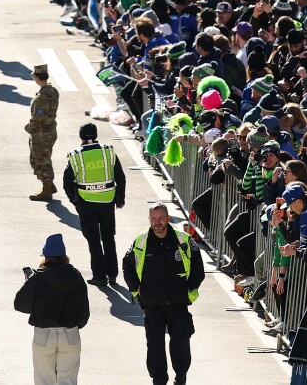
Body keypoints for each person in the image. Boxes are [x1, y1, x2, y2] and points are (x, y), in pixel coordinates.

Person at [123, 204, 204, 385]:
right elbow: (127, 267)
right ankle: (159, 380)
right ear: (149, 220)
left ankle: (180, 377)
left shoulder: (184, 240)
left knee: (181, 342)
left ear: (168, 218)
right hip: (152, 305)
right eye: (153, 219)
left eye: (160, 218)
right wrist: (137, 290)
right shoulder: (141, 241)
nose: (157, 223)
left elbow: (198, 267)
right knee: (155, 346)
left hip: (178, 303)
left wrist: (188, 289)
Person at [13, 233, 88, 385]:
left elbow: (20, 304)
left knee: (44, 380)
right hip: (70, 333)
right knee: (68, 381)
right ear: (64, 256)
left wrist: (29, 284)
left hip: (44, 334)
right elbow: (84, 310)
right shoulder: (76, 276)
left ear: (45, 257)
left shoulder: (38, 278)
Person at [63, 122, 127, 286]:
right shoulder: (108, 152)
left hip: (86, 203)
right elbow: (120, 177)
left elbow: (67, 182)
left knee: (93, 241)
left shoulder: (75, 156)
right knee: (109, 238)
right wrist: (120, 199)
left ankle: (99, 277)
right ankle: (112, 275)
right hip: (107, 202)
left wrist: (75, 201)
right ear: (96, 134)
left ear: (81, 136)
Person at [26, 64, 60, 201]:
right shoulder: (53, 91)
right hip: (50, 130)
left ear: (38, 77)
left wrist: (29, 127)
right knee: (42, 158)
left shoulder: (42, 97)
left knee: (40, 160)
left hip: (41, 133)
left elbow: (38, 116)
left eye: (34, 76)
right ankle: (49, 185)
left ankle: (47, 189)